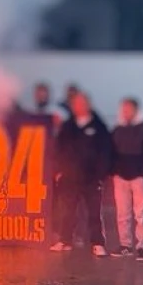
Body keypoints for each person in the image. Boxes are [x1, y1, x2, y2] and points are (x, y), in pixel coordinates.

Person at [50, 92, 112, 257]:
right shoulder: (68, 126)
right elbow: (58, 148)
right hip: (70, 178)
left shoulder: (98, 126)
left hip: (91, 178)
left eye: (81, 103)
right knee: (68, 211)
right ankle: (65, 241)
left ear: (88, 104)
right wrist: (59, 170)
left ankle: (98, 243)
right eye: (75, 104)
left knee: (93, 212)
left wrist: (101, 174)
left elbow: (106, 151)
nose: (78, 106)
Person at [110, 97, 143, 260]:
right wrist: (113, 170)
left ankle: (142, 245)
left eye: (128, 108)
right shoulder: (117, 130)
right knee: (122, 213)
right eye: (123, 109)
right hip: (120, 177)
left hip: (139, 178)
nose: (125, 112)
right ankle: (125, 245)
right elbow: (111, 151)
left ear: (136, 110)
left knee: (141, 214)